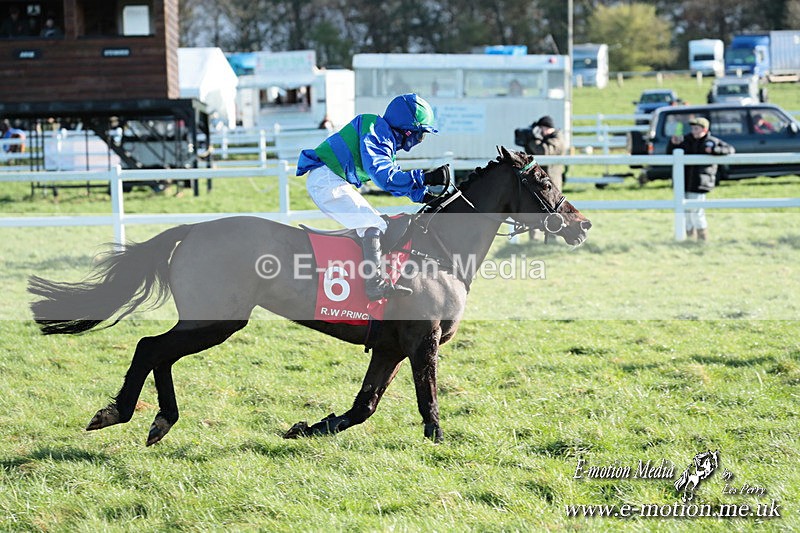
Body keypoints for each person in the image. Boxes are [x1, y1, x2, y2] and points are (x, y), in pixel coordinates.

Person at [297, 93, 449, 300]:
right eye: (420, 134)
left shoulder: (382, 135)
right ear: (407, 130)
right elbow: (384, 177)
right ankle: (374, 286)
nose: (420, 140)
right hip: (327, 181)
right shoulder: (374, 130)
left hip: (331, 179)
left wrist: (425, 196)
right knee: (373, 224)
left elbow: (393, 177)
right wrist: (426, 177)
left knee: (376, 223)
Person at [667, 117, 735, 241]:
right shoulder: (685, 140)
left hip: (699, 183)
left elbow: (730, 149)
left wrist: (714, 150)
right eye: (693, 128)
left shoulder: (712, 141)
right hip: (683, 182)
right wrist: (673, 144)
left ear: (705, 129)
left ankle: (702, 238)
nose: (694, 131)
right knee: (685, 212)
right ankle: (689, 237)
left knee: (697, 211)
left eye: (696, 128)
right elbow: (670, 153)